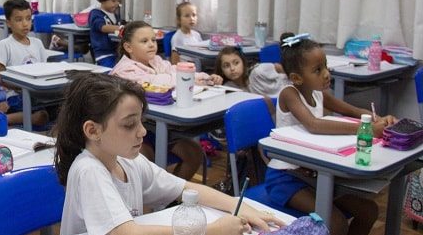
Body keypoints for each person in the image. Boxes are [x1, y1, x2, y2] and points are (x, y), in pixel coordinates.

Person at [55, 73, 284, 235]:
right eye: (129, 125)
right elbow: (125, 232)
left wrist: (238, 206)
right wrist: (210, 231)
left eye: (141, 122)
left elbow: (185, 188)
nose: (142, 132)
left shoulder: (127, 161)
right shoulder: (89, 170)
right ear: (93, 130)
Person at [265, 33, 396, 235]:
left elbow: (350, 110)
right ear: (296, 78)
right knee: (336, 224)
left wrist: (377, 118)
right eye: (318, 70)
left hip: (313, 172)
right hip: (285, 178)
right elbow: (314, 124)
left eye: (325, 66)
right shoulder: (289, 93)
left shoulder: (317, 92)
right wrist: (368, 129)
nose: (326, 74)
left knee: (369, 211)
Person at [110, 21, 222, 180]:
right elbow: (156, 83)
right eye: (144, 41)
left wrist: (205, 78)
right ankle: (146, 202)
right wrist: (181, 78)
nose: (151, 45)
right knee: (144, 164)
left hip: (157, 127)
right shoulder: (124, 70)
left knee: (194, 153)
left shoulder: (156, 61)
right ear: (128, 47)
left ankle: (171, 200)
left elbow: (176, 71)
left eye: (153, 40)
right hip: (130, 130)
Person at [0, 0, 60, 127]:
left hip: (37, 93)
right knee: (42, 117)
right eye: (19, 20)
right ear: (8, 23)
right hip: (17, 95)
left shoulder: (37, 43)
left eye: (28, 19)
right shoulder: (5, 45)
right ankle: (5, 118)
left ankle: (29, 115)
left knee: (65, 107)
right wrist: (19, 87)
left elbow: (44, 69)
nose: (25, 24)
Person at [213, 46, 289, 96]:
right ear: (221, 70)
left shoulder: (258, 71)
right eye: (226, 66)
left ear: (243, 62)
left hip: (290, 92)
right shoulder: (229, 87)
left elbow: (281, 68)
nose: (232, 68)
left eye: (236, 63)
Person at [88, 0, 124, 68]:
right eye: (113, 1)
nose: (116, 4)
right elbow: (103, 27)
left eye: (118, 1)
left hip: (116, 53)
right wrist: (121, 28)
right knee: (112, 72)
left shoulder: (115, 15)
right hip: (103, 54)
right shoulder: (96, 13)